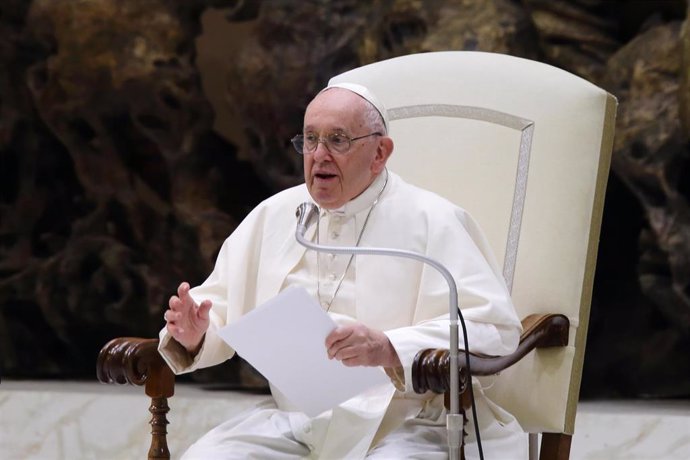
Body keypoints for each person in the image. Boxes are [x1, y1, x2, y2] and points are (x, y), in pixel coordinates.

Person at [159, 82, 528, 459]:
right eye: (310, 139)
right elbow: (219, 305)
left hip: (412, 422)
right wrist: (195, 333)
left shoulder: (433, 220)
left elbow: (495, 329)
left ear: (380, 152)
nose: (319, 155)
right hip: (301, 419)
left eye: (338, 140)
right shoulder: (274, 216)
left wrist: (389, 348)